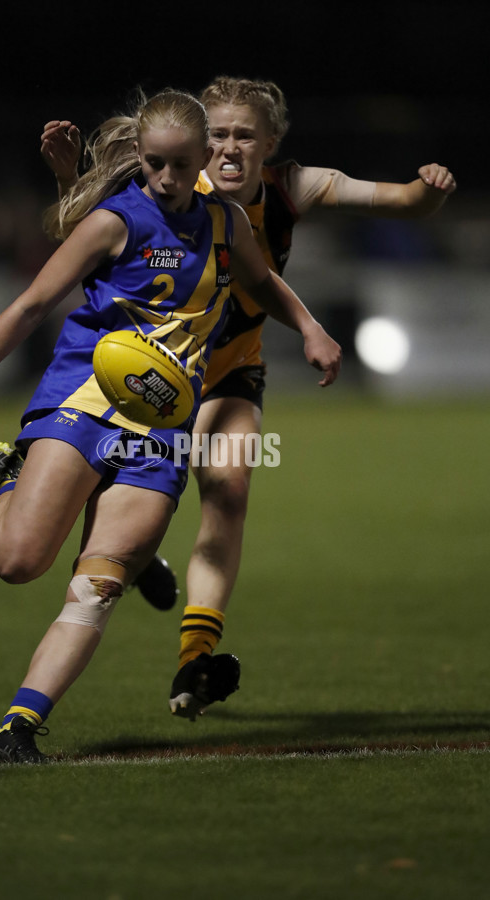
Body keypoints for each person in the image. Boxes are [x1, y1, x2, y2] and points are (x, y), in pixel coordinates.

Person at [0, 89, 342, 762]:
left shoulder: (227, 224)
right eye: (156, 164)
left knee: (99, 584)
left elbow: (263, 284)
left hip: (161, 431)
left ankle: (18, 725)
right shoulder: (114, 221)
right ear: (139, 156)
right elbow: (30, 306)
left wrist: (311, 328)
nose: (167, 180)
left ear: (201, 161)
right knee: (17, 562)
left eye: (180, 165)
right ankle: (11, 472)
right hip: (80, 408)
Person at [40, 76, 456, 722]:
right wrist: (69, 176)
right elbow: (82, 231)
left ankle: (193, 660)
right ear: (203, 141)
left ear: (271, 145)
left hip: (231, 371)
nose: (230, 150)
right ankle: (72, 500)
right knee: (118, 508)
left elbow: (404, 202)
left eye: (245, 137)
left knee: (228, 490)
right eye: (221, 136)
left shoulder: (295, 187)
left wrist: (427, 192)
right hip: (149, 372)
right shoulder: (171, 184)